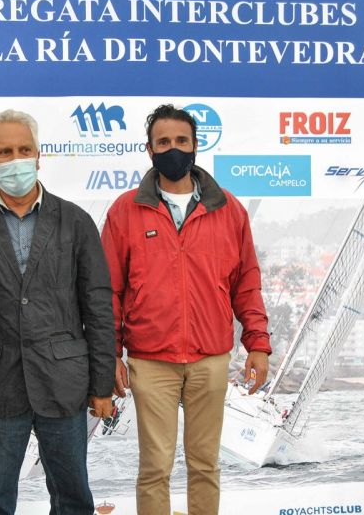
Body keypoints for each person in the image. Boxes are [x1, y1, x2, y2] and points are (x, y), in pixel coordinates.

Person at [101, 104, 272, 515]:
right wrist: (110, 354)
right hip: (150, 361)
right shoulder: (125, 211)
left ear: (196, 146)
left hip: (210, 359)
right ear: (149, 150)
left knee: (205, 465)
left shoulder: (229, 210)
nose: (173, 149)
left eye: (181, 141)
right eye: (163, 142)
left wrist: (258, 344)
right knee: (154, 468)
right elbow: (108, 292)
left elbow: (246, 284)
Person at [0, 109, 116, 515]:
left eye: (24, 150)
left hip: (63, 383)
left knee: (73, 499)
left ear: (39, 156)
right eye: (5, 152)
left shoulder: (75, 222)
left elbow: (98, 308)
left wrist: (102, 384)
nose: (16, 159)